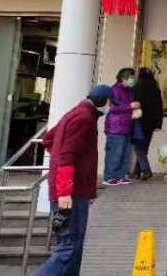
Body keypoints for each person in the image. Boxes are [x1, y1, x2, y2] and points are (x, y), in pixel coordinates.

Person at [33, 84, 113, 276]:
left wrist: (60, 159)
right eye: (110, 103)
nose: (110, 107)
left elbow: (49, 140)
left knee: (73, 248)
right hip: (71, 194)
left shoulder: (75, 113)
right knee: (69, 248)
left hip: (71, 191)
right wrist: (65, 191)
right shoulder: (84, 118)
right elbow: (67, 156)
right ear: (102, 102)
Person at [103, 67, 140, 186]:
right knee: (115, 153)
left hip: (127, 126)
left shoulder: (129, 91)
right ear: (123, 78)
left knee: (125, 153)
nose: (133, 80)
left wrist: (135, 110)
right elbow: (112, 108)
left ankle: (121, 176)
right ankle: (109, 176)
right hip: (115, 127)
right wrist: (130, 106)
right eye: (131, 78)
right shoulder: (113, 90)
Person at [131, 67, 164, 180]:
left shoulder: (136, 87)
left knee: (139, 147)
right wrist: (158, 123)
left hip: (138, 121)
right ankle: (136, 171)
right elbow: (159, 107)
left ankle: (146, 170)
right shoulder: (155, 88)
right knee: (143, 147)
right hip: (151, 123)